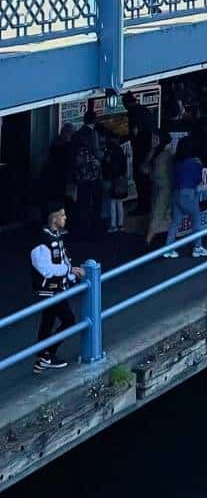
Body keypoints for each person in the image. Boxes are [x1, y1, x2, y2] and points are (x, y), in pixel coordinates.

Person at [30, 206, 84, 374]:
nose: (65, 217)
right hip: (49, 290)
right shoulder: (42, 242)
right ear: (54, 218)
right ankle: (47, 355)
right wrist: (69, 271)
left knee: (48, 322)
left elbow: (63, 260)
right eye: (62, 215)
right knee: (69, 320)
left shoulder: (56, 237)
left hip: (57, 288)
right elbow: (46, 269)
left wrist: (72, 274)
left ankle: (43, 357)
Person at [162, 140, 207, 259]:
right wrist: (200, 164)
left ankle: (168, 248)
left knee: (175, 222)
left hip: (176, 194)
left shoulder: (176, 163)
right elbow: (198, 179)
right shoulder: (194, 163)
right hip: (188, 194)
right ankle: (197, 247)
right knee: (196, 219)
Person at [71, 109, 104, 238]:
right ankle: (94, 229)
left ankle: (81, 228)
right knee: (96, 202)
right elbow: (96, 153)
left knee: (82, 202)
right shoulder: (93, 134)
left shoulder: (76, 134)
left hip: (81, 174)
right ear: (94, 120)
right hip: (93, 174)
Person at [102, 130, 128, 233]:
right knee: (119, 203)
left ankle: (113, 225)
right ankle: (120, 224)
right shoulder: (120, 151)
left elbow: (106, 165)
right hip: (120, 179)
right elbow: (124, 166)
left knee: (112, 203)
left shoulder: (109, 151)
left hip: (112, 179)